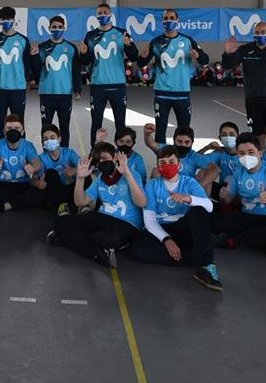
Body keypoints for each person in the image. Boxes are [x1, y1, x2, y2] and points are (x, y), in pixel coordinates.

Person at [129, 145, 223, 291]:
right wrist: (167, 240)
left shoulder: (189, 182)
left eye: (171, 162)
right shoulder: (152, 185)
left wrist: (188, 198)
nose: (167, 166)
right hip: (163, 228)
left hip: (183, 227)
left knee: (199, 211)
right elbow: (149, 220)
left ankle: (205, 266)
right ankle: (194, 258)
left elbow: (209, 206)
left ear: (179, 165)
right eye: (163, 163)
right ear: (158, 167)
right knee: (137, 248)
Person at [49, 143, 147, 267]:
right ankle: (98, 252)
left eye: (105, 159)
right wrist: (80, 178)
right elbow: (80, 202)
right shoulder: (101, 179)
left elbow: (141, 202)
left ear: (115, 157)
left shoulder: (132, 174)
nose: (102, 163)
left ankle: (69, 240)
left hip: (127, 222)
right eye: (98, 161)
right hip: (102, 217)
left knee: (109, 238)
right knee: (61, 222)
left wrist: (127, 174)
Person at [215, 133, 266, 257]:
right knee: (219, 221)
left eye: (251, 152)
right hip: (249, 216)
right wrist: (223, 195)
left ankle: (233, 242)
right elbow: (228, 200)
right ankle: (265, 243)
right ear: (238, 155)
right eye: (242, 153)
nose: (246, 157)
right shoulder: (238, 172)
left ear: (259, 153)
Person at [139, 9, 208, 145]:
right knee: (160, 130)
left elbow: (205, 60)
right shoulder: (156, 42)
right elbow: (141, 63)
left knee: (184, 131)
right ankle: (162, 157)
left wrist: (198, 56)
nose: (169, 21)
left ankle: (182, 157)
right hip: (162, 93)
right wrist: (142, 56)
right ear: (162, 21)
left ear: (178, 20)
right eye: (166, 18)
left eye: (172, 18)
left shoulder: (187, 41)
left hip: (182, 93)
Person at [80, 3, 139, 139]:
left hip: (117, 86)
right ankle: (95, 149)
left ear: (111, 14)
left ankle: (122, 150)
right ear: (96, 16)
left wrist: (128, 45)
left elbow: (134, 56)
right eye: (99, 13)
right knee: (96, 123)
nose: (102, 15)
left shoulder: (122, 33)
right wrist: (83, 53)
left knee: (120, 123)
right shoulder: (90, 35)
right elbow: (86, 62)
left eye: (105, 12)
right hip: (97, 85)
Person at [31, 16, 82, 147]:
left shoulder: (71, 48)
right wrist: (34, 57)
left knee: (64, 127)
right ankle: (46, 154)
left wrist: (77, 90)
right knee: (46, 127)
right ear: (49, 28)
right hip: (46, 94)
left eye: (60, 27)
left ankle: (64, 152)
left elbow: (76, 71)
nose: (57, 29)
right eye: (54, 27)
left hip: (65, 94)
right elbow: (36, 72)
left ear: (64, 28)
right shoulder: (41, 47)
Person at [0, 115, 45, 213]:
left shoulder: (27, 145)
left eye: (17, 128)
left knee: (39, 192)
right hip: (1, 184)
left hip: (22, 184)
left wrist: (33, 168)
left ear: (22, 131)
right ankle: (20, 202)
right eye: (9, 128)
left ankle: (6, 206)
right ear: (4, 131)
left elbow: (37, 163)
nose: (13, 131)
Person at [0, 6, 31, 141]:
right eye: (3, 19)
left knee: (19, 123)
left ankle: (22, 150)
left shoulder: (23, 40)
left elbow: (27, 63)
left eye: (9, 19)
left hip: (18, 88)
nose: (6, 22)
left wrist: (29, 79)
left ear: (14, 20)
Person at [144, 124, 220, 188]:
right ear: (174, 140)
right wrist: (147, 134)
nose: (183, 145)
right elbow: (151, 144)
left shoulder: (194, 156)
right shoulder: (167, 149)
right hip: (166, 187)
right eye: (179, 141)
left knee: (207, 180)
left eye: (187, 142)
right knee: (156, 171)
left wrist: (198, 187)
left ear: (192, 143)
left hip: (186, 189)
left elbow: (215, 169)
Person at [35, 124, 80, 214]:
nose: (49, 141)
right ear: (43, 142)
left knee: (84, 174)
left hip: (72, 189)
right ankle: (62, 206)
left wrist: (75, 170)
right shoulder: (41, 158)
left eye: (52, 138)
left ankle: (83, 206)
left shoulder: (69, 153)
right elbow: (34, 179)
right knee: (51, 173)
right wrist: (38, 183)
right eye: (46, 139)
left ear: (59, 139)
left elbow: (87, 167)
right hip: (55, 192)